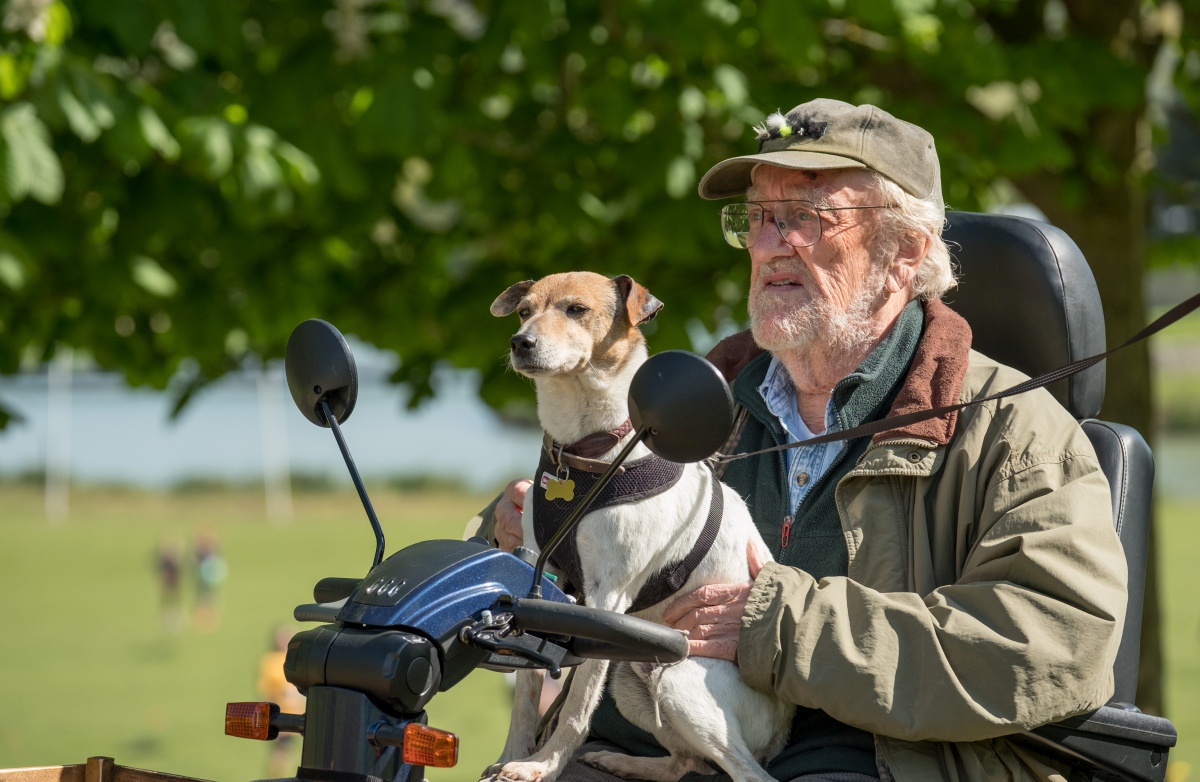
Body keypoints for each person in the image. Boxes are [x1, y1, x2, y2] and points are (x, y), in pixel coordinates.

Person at [480, 98, 1127, 782]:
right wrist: (515, 545)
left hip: (872, 763)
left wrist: (780, 630)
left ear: (905, 249)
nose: (769, 244)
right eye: (756, 218)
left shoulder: (1014, 428)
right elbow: (558, 595)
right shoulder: (694, 402)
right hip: (638, 756)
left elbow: (1054, 648)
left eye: (807, 217)